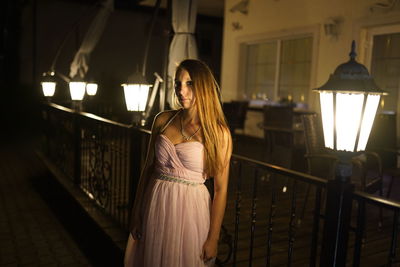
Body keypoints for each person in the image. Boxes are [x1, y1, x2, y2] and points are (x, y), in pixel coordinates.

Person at [124, 59, 232, 267]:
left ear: (204, 86)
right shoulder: (163, 120)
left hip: (190, 212)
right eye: (177, 83)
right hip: (155, 205)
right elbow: (147, 169)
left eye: (189, 83)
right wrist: (136, 213)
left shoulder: (218, 133)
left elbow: (220, 190)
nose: (181, 90)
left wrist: (213, 238)